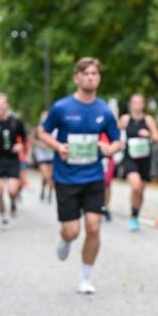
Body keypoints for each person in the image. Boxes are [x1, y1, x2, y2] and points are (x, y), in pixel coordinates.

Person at [38, 57, 122, 294]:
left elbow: (117, 140)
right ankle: (65, 239)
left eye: (94, 73)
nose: (90, 77)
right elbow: (42, 132)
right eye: (85, 73)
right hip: (66, 178)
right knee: (72, 230)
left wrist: (111, 148)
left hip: (93, 176)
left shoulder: (104, 111)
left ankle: (85, 277)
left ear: (99, 78)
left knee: (94, 227)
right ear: (76, 78)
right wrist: (58, 147)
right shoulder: (62, 108)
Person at [119, 93, 158, 231]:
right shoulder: (125, 119)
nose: (137, 105)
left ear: (143, 105)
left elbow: (157, 137)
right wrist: (120, 141)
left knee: (141, 191)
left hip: (144, 158)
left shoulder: (148, 120)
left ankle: (135, 215)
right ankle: (133, 215)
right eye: (134, 102)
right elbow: (116, 134)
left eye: (139, 102)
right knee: (136, 186)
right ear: (131, 104)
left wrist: (149, 134)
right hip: (130, 157)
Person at [0, 94, 27, 224]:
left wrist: (20, 145)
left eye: (3, 104)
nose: (1, 107)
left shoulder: (15, 122)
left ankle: (13, 200)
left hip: (12, 159)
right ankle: (3, 214)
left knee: (12, 190)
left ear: (7, 105)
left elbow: (24, 138)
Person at [33, 110, 56, 203]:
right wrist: (41, 144)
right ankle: (43, 190)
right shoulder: (39, 129)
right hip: (42, 156)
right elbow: (32, 140)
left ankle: (50, 194)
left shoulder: (55, 128)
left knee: (51, 176)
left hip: (52, 156)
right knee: (46, 176)